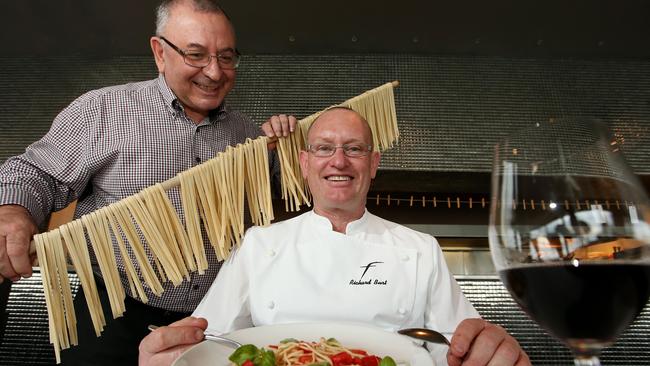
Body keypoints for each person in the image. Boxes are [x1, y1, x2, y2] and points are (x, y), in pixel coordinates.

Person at [0, 0, 295, 364]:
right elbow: (36, 173)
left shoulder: (246, 134)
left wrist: (292, 147)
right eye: (196, 55)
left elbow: (285, 200)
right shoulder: (102, 111)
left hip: (213, 318)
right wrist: (13, 212)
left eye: (227, 57)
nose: (215, 72)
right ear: (160, 52)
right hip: (112, 313)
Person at [138, 107, 531, 366]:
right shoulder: (260, 243)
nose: (338, 161)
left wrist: (492, 350)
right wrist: (173, 354)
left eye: (354, 149)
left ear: (374, 164)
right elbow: (211, 343)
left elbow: (456, 348)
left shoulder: (419, 249)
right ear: (305, 165)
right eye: (324, 149)